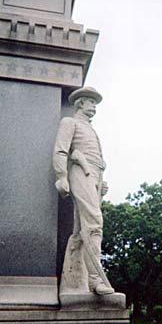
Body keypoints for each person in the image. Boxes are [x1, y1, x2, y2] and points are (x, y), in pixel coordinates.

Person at [53, 87, 114, 296]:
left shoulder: (91, 129)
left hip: (95, 177)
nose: (94, 107)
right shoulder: (69, 123)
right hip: (81, 171)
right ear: (81, 103)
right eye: (91, 102)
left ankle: (74, 279)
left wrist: (101, 185)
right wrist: (61, 176)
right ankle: (95, 280)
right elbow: (62, 150)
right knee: (94, 223)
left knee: (81, 230)